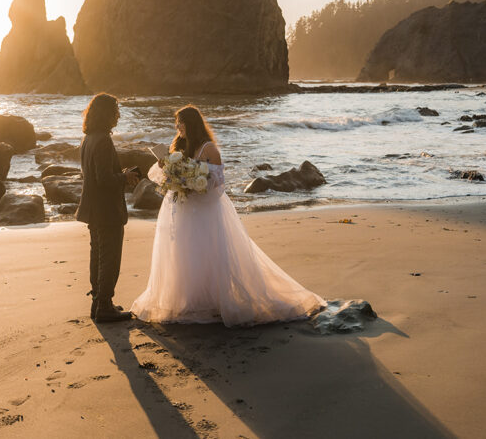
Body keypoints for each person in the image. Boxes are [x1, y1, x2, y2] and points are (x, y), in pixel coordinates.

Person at [130, 105, 326, 326]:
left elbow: (217, 182)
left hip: (204, 208)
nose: (177, 127)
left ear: (191, 123)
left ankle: (213, 300)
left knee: (207, 251)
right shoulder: (179, 145)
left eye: (181, 122)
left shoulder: (209, 148)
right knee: (183, 252)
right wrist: (167, 168)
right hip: (181, 207)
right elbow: (165, 177)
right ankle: (188, 300)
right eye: (176, 123)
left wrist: (193, 182)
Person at [77, 93, 140, 323]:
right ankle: (104, 305)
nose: (118, 114)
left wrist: (120, 175)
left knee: (98, 255)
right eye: (115, 110)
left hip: (92, 208)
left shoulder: (88, 138)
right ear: (106, 113)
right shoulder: (102, 139)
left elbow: (94, 176)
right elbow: (103, 179)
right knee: (109, 258)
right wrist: (124, 177)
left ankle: (98, 302)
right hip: (106, 209)